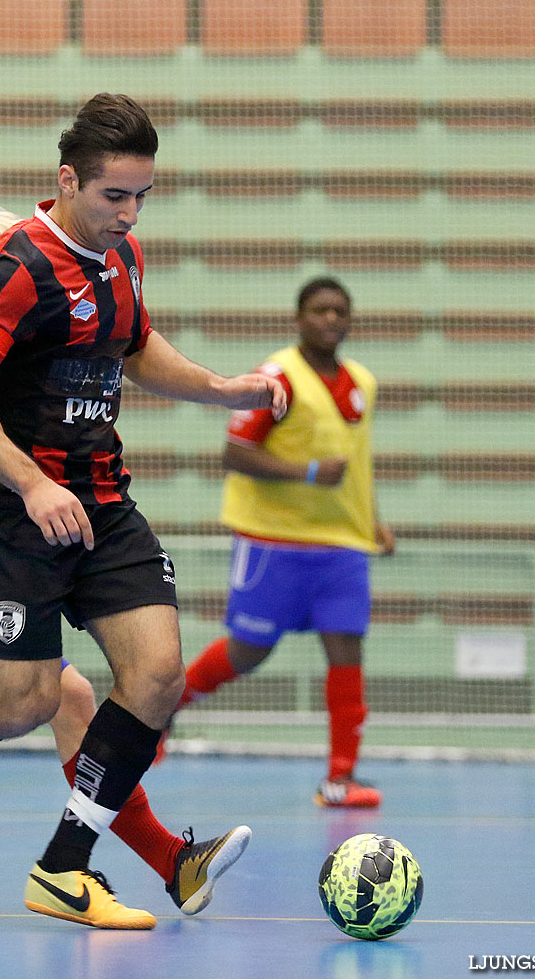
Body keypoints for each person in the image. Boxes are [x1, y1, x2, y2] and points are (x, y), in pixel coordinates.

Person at [0, 94, 286, 930]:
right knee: (27, 703)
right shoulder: (13, 266)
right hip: (11, 522)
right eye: (115, 195)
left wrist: (217, 389)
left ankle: (64, 866)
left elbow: (135, 343)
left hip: (103, 503)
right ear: (68, 181)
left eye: (142, 196)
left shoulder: (123, 260)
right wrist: (30, 482)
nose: (129, 213)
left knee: (155, 676)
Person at [167, 277, 394, 808]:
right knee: (248, 652)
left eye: (341, 310)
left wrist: (375, 523)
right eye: (320, 310)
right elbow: (234, 453)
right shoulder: (275, 379)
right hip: (274, 544)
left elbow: (359, 465)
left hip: (341, 547)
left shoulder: (362, 381)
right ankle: (165, 706)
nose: (331, 320)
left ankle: (339, 779)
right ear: (298, 318)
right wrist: (311, 472)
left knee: (346, 652)